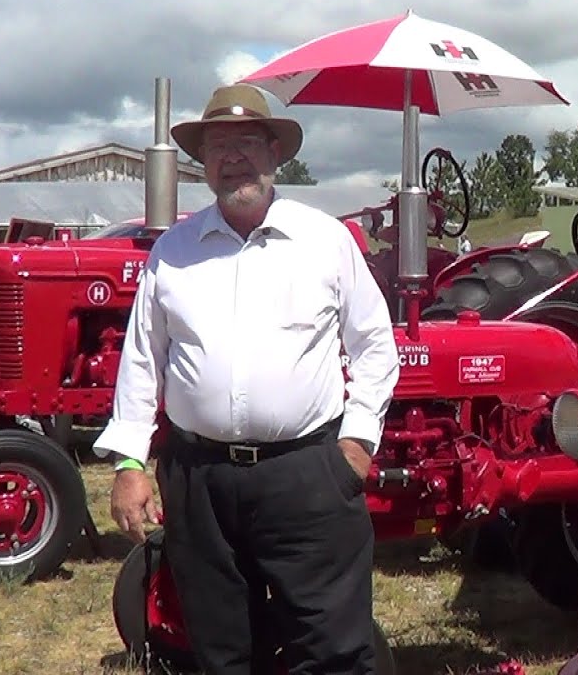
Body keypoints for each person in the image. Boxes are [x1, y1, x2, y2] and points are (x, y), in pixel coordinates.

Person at [93, 83, 400, 675]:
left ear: (274, 154)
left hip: (308, 475)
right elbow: (140, 361)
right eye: (218, 145)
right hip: (199, 480)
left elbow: (375, 347)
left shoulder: (325, 242)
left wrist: (356, 445)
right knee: (219, 652)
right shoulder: (173, 253)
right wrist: (129, 466)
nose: (233, 156)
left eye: (247, 142)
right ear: (203, 163)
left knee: (331, 649)